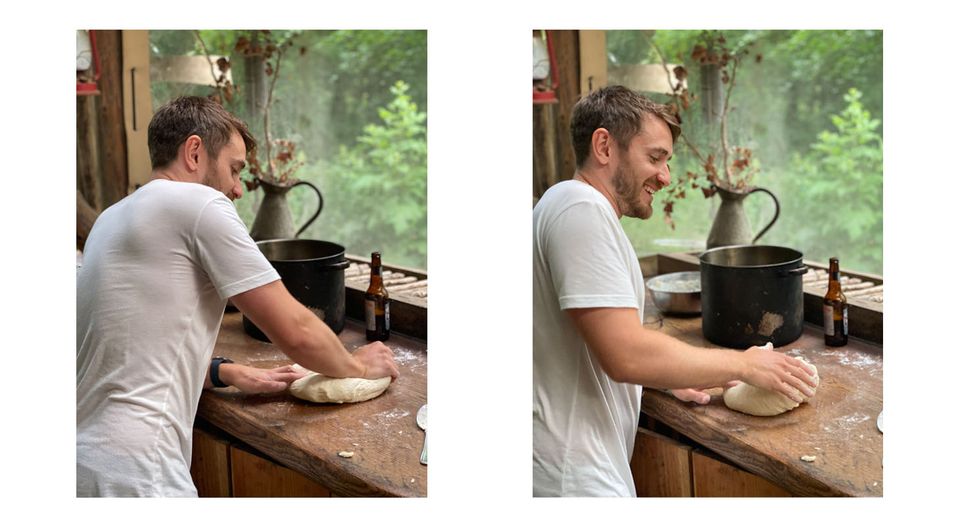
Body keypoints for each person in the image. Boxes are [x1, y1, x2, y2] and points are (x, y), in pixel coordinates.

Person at [77, 96, 399, 497]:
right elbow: (296, 330)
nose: (237, 188)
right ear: (194, 152)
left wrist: (219, 371)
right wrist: (357, 365)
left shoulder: (111, 217)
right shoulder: (198, 202)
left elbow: (124, 344)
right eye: (234, 169)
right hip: (139, 471)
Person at [531, 86, 817, 497]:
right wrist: (746, 366)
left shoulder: (560, 205)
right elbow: (625, 354)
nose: (665, 176)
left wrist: (665, 375)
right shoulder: (581, 210)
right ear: (604, 146)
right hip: (572, 481)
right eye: (655, 157)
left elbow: (583, 340)